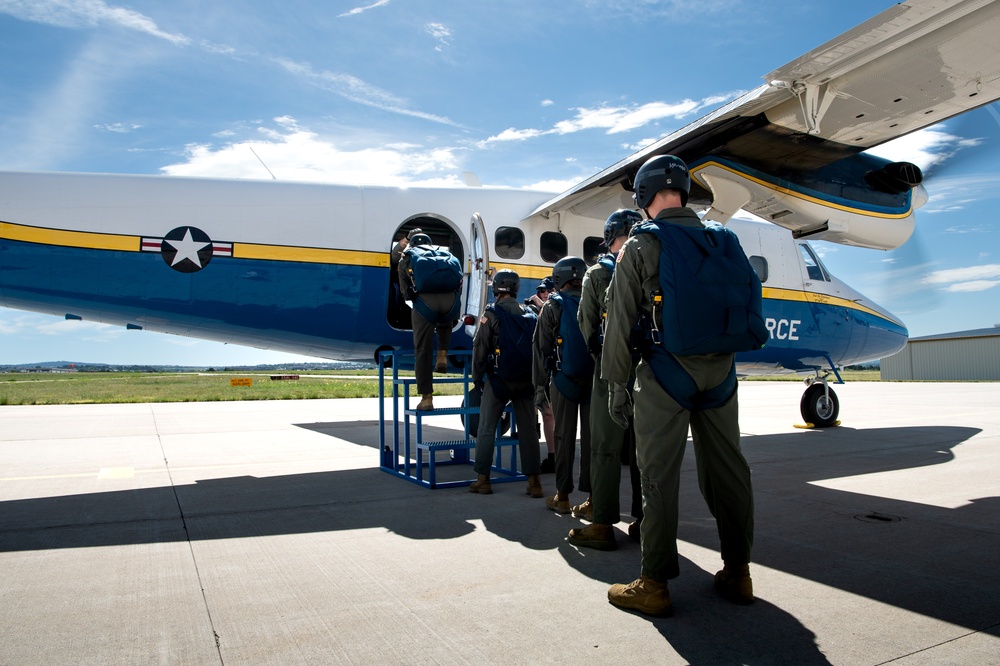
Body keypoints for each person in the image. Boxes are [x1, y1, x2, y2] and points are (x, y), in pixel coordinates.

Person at [602, 154, 755, 617]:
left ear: (645, 197)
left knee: (658, 477)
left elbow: (620, 325)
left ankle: (654, 584)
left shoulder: (642, 244)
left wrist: (616, 386)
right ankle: (738, 571)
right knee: (728, 470)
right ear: (684, 194)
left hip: (667, 373)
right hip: (722, 375)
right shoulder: (723, 239)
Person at [568, 209, 644, 551]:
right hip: (649, 371)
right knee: (644, 451)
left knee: (604, 448)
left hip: (609, 369)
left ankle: (602, 522)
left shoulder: (598, 273)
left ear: (611, 237)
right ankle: (644, 522)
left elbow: (587, 325)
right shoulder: (653, 261)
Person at [470, 269, 544, 498]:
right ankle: (534, 483)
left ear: (497, 289)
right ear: (516, 288)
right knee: (529, 430)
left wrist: (477, 379)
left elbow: (479, 349)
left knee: (486, 428)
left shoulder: (491, 314)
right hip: (526, 381)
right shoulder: (531, 313)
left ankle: (483, 479)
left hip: (499, 380)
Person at [532, 256, 593, 514]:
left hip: (563, 380)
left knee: (564, 436)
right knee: (593, 440)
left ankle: (563, 495)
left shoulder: (552, 306)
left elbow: (540, 349)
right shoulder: (597, 301)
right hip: (595, 382)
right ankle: (593, 500)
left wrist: (539, 387)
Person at [398, 232, 461, 411]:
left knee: (423, 351)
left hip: (426, 304)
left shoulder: (408, 258)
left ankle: (427, 398)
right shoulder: (446, 255)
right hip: (450, 302)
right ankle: (442, 355)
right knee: (445, 322)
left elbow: (405, 291)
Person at [525, 276, 557, 473]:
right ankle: (549, 455)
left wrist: (543, 307)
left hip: (554, 368)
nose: (543, 295)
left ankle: (554, 457)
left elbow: (551, 329)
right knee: (544, 413)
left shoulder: (558, 307)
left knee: (550, 413)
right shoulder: (537, 309)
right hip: (539, 368)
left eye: (548, 292)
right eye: (541, 292)